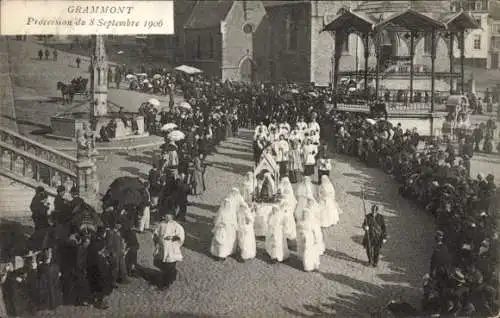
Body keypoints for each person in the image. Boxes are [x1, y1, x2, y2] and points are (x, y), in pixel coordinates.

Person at [153, 214, 185, 290]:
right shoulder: (161, 224)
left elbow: (181, 237)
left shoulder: (177, 226)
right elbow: (155, 234)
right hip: (162, 248)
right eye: (165, 216)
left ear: (172, 217)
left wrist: (172, 237)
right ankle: (172, 274)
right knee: (158, 263)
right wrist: (157, 240)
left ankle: (165, 284)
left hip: (171, 249)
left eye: (168, 216)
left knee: (169, 265)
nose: (166, 217)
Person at [296, 208, 322, 272]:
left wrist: (316, 240)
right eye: (304, 214)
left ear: (309, 215)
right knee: (303, 250)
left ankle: (309, 266)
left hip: (309, 239)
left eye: (306, 214)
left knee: (308, 252)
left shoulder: (312, 223)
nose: (305, 216)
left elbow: (316, 232)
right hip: (301, 238)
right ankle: (306, 263)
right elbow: (297, 229)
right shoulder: (300, 222)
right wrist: (299, 235)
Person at [236, 192, 256, 261]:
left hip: (245, 228)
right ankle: (245, 254)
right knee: (244, 240)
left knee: (245, 241)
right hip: (244, 227)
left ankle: (245, 255)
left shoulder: (245, 210)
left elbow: (250, 219)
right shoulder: (243, 209)